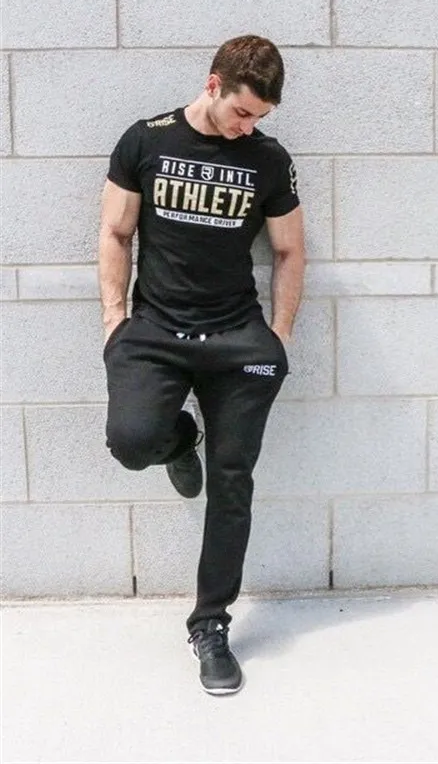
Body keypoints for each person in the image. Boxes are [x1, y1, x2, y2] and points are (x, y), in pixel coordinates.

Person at [98, 35, 305, 695]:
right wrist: (114, 323)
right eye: (242, 112)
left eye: (259, 118)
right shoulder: (145, 140)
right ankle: (179, 438)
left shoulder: (268, 160)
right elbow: (115, 232)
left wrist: (279, 337)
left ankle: (210, 624)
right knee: (131, 442)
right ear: (214, 84)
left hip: (238, 338)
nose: (248, 127)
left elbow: (290, 251)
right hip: (155, 330)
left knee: (233, 481)